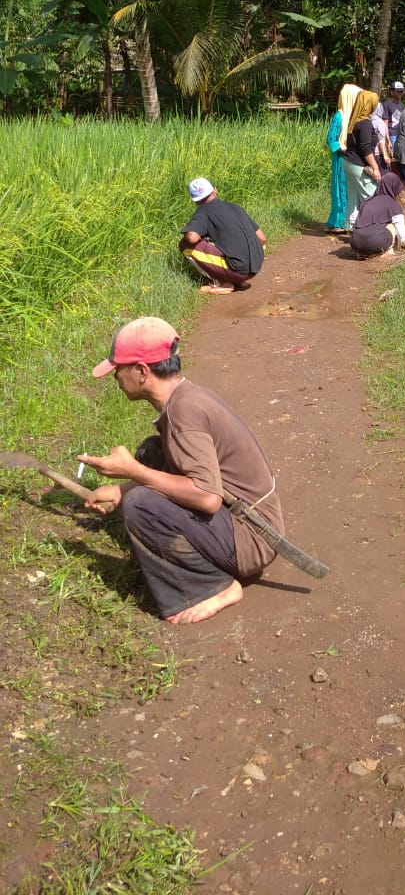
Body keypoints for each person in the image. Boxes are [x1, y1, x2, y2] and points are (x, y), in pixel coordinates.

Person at [79, 317, 284, 625]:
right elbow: (181, 470)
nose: (115, 378)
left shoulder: (183, 413)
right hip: (253, 523)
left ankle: (215, 587)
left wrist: (133, 471)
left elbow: (207, 497)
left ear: (142, 372)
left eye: (118, 369)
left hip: (253, 539)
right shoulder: (187, 396)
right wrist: (121, 490)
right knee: (153, 452)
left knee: (141, 505)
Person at [179, 178, 266, 294]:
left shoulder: (203, 211)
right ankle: (239, 280)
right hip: (256, 266)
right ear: (215, 190)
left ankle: (220, 283)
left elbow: (192, 237)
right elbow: (262, 238)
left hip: (238, 270)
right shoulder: (235, 207)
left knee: (185, 244)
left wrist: (187, 229)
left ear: (194, 200)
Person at [342, 90, 381, 229]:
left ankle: (351, 227)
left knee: (353, 197)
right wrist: (376, 168)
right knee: (371, 196)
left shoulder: (353, 120)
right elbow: (365, 148)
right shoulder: (365, 123)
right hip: (358, 164)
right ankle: (374, 227)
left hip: (348, 162)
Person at [349, 173, 405, 258]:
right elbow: (402, 234)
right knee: (392, 226)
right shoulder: (393, 205)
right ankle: (388, 252)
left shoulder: (366, 201)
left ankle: (362, 252)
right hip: (377, 242)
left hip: (355, 243)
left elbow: (352, 219)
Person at [326, 84, 360, 232]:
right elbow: (330, 138)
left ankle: (350, 220)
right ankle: (338, 222)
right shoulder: (340, 116)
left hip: (352, 158)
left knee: (351, 190)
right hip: (341, 158)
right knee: (341, 188)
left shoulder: (355, 116)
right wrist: (340, 147)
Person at [380, 81, 405, 149]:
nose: (400, 93)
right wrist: (388, 140)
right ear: (392, 92)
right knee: (393, 157)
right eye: (398, 91)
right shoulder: (386, 104)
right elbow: (385, 123)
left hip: (401, 135)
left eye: (401, 91)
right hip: (391, 135)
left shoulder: (401, 105)